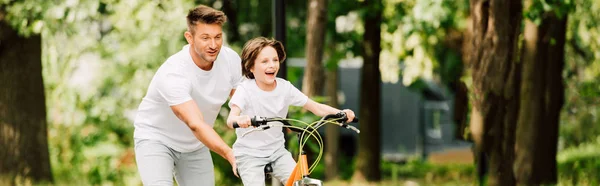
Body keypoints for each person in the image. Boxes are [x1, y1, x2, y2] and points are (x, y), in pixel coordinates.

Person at [133, 5, 241, 186]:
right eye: (205, 38)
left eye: (217, 37)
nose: (213, 45)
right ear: (189, 37)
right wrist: (230, 154)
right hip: (157, 139)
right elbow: (196, 124)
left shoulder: (230, 60)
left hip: (195, 146)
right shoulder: (174, 72)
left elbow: (241, 101)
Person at [226, 37, 356, 186]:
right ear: (251, 67)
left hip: (277, 152)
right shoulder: (245, 89)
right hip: (249, 154)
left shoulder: (284, 88)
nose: (272, 65)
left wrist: (340, 113)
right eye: (264, 61)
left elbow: (315, 107)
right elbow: (230, 120)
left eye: (275, 60)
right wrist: (241, 120)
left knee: (300, 182)